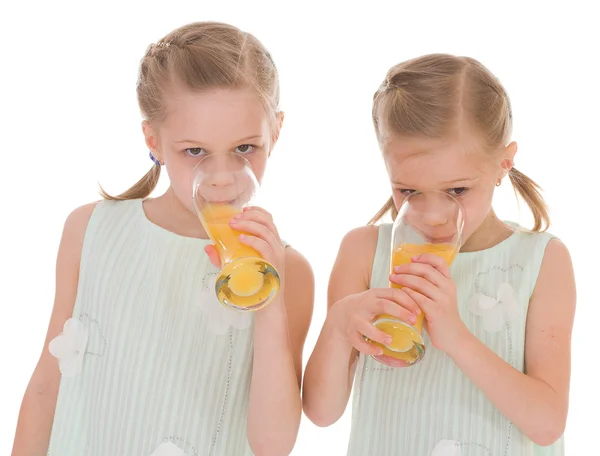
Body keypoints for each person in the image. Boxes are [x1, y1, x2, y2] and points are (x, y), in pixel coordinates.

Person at [12, 21, 314, 456]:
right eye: (195, 152)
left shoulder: (288, 272)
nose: (223, 178)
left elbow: (273, 444)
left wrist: (269, 311)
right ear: (154, 139)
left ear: (276, 132)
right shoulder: (90, 232)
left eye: (245, 148)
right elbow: (46, 388)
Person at [303, 53, 575, 456]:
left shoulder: (541, 261)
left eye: (457, 191)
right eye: (408, 192)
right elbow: (323, 413)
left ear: (504, 162)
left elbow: (547, 423)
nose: (432, 216)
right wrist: (339, 324)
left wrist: (457, 337)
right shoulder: (363, 253)